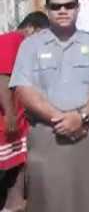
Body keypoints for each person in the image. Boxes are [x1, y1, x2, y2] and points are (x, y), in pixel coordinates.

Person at [9, 0, 89, 212]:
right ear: (47, 10)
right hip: (48, 134)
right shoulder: (30, 46)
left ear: (78, 9)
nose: (63, 11)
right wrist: (61, 119)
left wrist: (81, 116)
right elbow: (23, 88)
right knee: (50, 199)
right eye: (56, 6)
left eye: (69, 5)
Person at [0, 12, 49, 212]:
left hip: (17, 112)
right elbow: (2, 77)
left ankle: (15, 202)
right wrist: (10, 113)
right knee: (11, 162)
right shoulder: (12, 40)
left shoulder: (24, 45)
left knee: (20, 160)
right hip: (7, 114)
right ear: (31, 28)